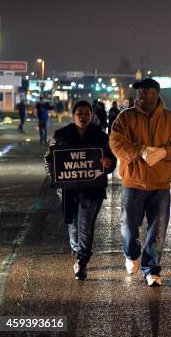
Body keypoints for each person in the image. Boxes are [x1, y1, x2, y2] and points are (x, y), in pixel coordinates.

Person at [110, 78, 171, 287]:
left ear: (156, 93)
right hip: (133, 183)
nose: (140, 95)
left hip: (161, 185)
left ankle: (151, 269)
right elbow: (116, 142)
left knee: (158, 231)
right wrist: (140, 151)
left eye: (145, 92)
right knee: (128, 225)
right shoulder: (125, 117)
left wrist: (164, 152)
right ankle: (131, 253)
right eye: (139, 92)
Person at [44, 101, 116, 280]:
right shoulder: (61, 135)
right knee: (73, 225)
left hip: (92, 191)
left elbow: (111, 159)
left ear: (91, 115)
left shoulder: (100, 137)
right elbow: (48, 158)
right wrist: (56, 178)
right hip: (69, 191)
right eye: (79, 113)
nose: (83, 116)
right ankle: (77, 254)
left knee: (85, 226)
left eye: (86, 113)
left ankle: (82, 261)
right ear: (73, 115)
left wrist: (108, 164)